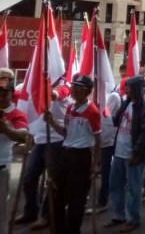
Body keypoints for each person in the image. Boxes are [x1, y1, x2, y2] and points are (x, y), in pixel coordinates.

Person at [45, 74, 101, 234]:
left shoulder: (92, 111)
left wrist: (96, 163)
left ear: (87, 91)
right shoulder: (70, 107)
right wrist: (51, 122)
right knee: (58, 196)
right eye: (73, 86)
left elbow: (98, 139)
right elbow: (66, 133)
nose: (74, 90)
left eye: (78, 88)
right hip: (65, 155)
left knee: (77, 199)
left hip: (81, 158)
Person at [16, 81, 69, 230]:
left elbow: (60, 93)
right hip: (38, 139)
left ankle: (46, 215)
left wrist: (48, 91)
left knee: (52, 182)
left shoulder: (65, 85)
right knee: (29, 177)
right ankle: (30, 210)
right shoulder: (34, 82)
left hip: (55, 140)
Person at [104, 76, 145, 233]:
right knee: (115, 185)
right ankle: (119, 215)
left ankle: (133, 219)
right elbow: (116, 121)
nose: (126, 90)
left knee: (133, 189)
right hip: (119, 152)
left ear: (138, 89)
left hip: (133, 154)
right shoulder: (126, 103)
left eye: (130, 87)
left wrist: (137, 153)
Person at [0, 81, 29, 234]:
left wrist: (6, 129)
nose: (0, 97)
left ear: (11, 94)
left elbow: (23, 136)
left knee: (1, 212)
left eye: (4, 94)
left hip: (1, 167)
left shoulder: (17, 114)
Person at [88, 86, 119, 215]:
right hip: (93, 143)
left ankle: (103, 201)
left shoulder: (112, 98)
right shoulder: (90, 104)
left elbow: (108, 121)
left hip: (107, 142)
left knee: (106, 171)